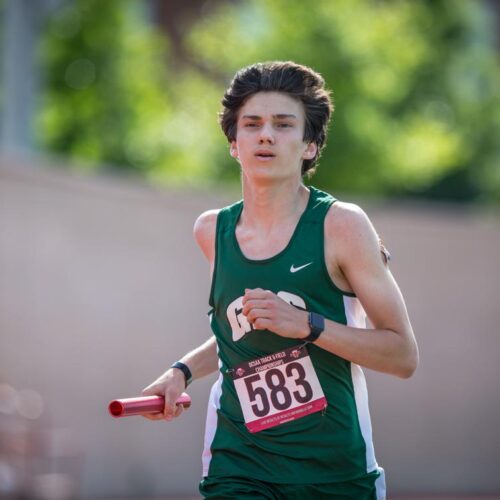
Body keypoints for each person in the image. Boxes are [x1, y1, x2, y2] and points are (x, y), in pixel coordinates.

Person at [142, 61, 418, 499]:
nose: (265, 135)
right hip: (238, 463)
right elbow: (239, 334)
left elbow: (402, 355)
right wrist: (181, 372)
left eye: (283, 125)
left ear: (309, 145)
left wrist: (308, 325)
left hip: (334, 471)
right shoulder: (211, 231)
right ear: (234, 144)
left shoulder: (341, 226)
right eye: (252, 124)